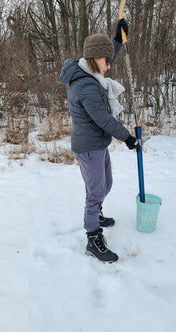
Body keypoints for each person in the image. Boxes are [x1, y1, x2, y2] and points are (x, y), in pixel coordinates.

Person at [59, 19, 139, 263]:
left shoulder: (88, 70)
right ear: (95, 60)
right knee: (95, 193)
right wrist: (127, 137)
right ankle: (93, 237)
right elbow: (103, 119)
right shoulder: (86, 86)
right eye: (107, 62)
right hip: (89, 147)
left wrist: (116, 39)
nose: (110, 66)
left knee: (105, 185)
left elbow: (106, 55)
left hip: (97, 144)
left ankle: (97, 215)